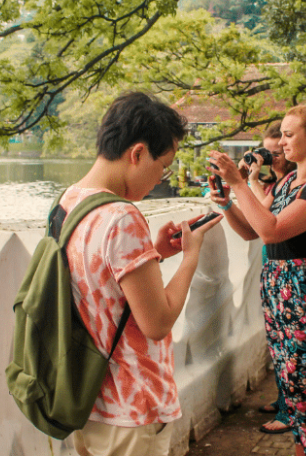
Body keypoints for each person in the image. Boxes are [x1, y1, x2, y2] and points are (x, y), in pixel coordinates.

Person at [64, 92, 223, 456]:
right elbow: (157, 322)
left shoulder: (69, 202)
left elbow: (101, 282)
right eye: (162, 166)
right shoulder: (123, 217)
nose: (161, 178)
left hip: (86, 400)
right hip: (131, 409)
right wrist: (190, 257)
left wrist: (153, 253)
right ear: (137, 153)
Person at [208, 104, 306, 456]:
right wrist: (227, 203)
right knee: (293, 389)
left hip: (303, 292)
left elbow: (272, 231)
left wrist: (239, 182)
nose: (281, 143)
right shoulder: (286, 182)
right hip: (277, 289)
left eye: (287, 135)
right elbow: (252, 230)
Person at [241, 124, 296, 435]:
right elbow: (253, 220)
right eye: (267, 152)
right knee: (277, 341)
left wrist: (248, 182)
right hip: (272, 269)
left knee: (289, 345)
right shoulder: (276, 185)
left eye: (277, 153)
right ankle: (283, 398)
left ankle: (291, 411)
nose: (272, 158)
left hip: (290, 272)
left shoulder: (296, 184)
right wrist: (247, 181)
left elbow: (265, 225)